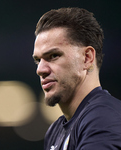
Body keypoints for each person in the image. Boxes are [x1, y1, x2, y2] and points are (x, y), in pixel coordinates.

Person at [32, 7, 121, 150]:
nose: (40, 70)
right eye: (38, 60)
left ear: (87, 58)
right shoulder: (55, 132)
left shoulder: (103, 119)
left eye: (54, 56)